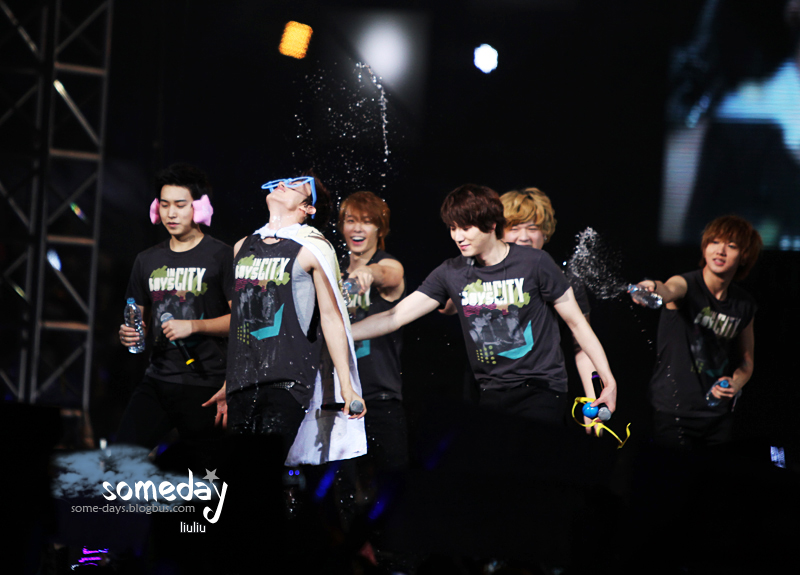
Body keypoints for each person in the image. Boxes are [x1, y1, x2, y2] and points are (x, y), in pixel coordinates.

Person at [351, 184, 617, 426]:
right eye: (453, 228)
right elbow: (394, 316)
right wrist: (341, 333)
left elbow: (577, 324)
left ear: (491, 225)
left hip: (540, 389)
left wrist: (608, 381)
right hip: (490, 392)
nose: (458, 236)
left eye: (466, 228)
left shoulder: (536, 263)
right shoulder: (451, 272)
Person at [225, 173, 366, 464]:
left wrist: (347, 385)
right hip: (242, 380)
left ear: (307, 207)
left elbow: (332, 318)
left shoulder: (313, 247)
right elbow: (240, 319)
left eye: (294, 185)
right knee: (238, 472)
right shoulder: (242, 247)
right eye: (282, 181)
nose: (282, 184)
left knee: (261, 468)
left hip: (286, 380)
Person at [118, 163, 232, 456]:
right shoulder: (146, 260)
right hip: (157, 380)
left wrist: (194, 326)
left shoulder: (222, 256)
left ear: (200, 208)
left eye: (180, 205)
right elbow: (137, 319)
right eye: (164, 204)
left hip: (207, 385)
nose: (171, 213)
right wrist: (129, 335)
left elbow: (242, 322)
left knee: (208, 476)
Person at [632, 215, 761, 450]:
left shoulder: (744, 304)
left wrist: (736, 383)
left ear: (744, 255)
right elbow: (668, 289)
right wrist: (651, 287)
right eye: (714, 242)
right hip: (673, 413)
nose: (720, 251)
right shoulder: (687, 284)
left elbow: (747, 362)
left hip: (718, 418)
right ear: (704, 247)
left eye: (731, 245)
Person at [340, 191, 407, 470]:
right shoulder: (332, 272)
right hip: (338, 399)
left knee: (390, 485)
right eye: (351, 220)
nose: (357, 228)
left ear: (380, 228)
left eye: (367, 222)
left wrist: (370, 272)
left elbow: (390, 273)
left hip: (380, 399)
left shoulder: (387, 263)